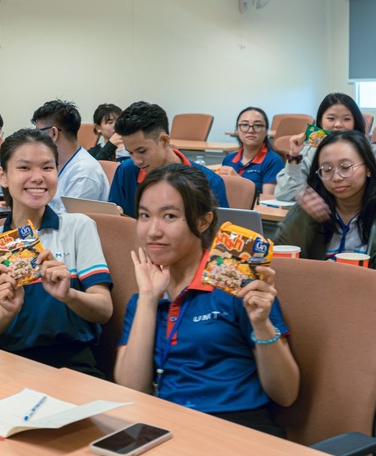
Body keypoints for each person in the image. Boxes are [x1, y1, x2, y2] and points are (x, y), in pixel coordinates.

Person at [114, 164, 299, 436]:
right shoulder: (144, 297)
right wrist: (148, 298)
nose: (152, 231)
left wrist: (262, 325)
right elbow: (132, 390)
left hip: (237, 429)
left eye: (169, 216)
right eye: (144, 215)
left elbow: (286, 394)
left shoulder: (239, 286)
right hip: (166, 427)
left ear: (203, 221)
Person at [0, 128, 113, 376]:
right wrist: (7, 310)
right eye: (24, 168)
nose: (38, 177)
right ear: (3, 176)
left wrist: (69, 295)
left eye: (47, 167)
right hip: (7, 364)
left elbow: (104, 310)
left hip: (73, 362)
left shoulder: (79, 227)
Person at [275, 130, 376, 277]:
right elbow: (276, 260)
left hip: (374, 297)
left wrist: (365, 279)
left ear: (368, 168)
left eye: (345, 167)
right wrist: (301, 219)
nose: (336, 178)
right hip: (319, 295)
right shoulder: (312, 206)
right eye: (327, 169)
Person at [108, 101, 228, 218]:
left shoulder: (210, 182)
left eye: (142, 151)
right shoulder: (126, 171)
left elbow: (219, 229)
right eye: (130, 153)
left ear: (164, 141)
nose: (137, 161)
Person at [274, 92, 376, 203]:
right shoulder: (309, 151)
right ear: (320, 122)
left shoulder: (371, 152)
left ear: (355, 122)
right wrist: (294, 156)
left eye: (346, 119)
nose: (338, 124)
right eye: (331, 118)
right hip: (320, 214)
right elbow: (286, 194)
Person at [30, 100, 110, 213]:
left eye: (38, 133)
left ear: (53, 133)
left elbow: (70, 221)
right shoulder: (55, 163)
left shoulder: (85, 173)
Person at [219, 107, 284, 196]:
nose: (250, 130)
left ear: (266, 131)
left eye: (258, 125)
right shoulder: (229, 159)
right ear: (237, 130)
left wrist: (239, 181)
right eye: (245, 125)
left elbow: (268, 200)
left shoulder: (273, 161)